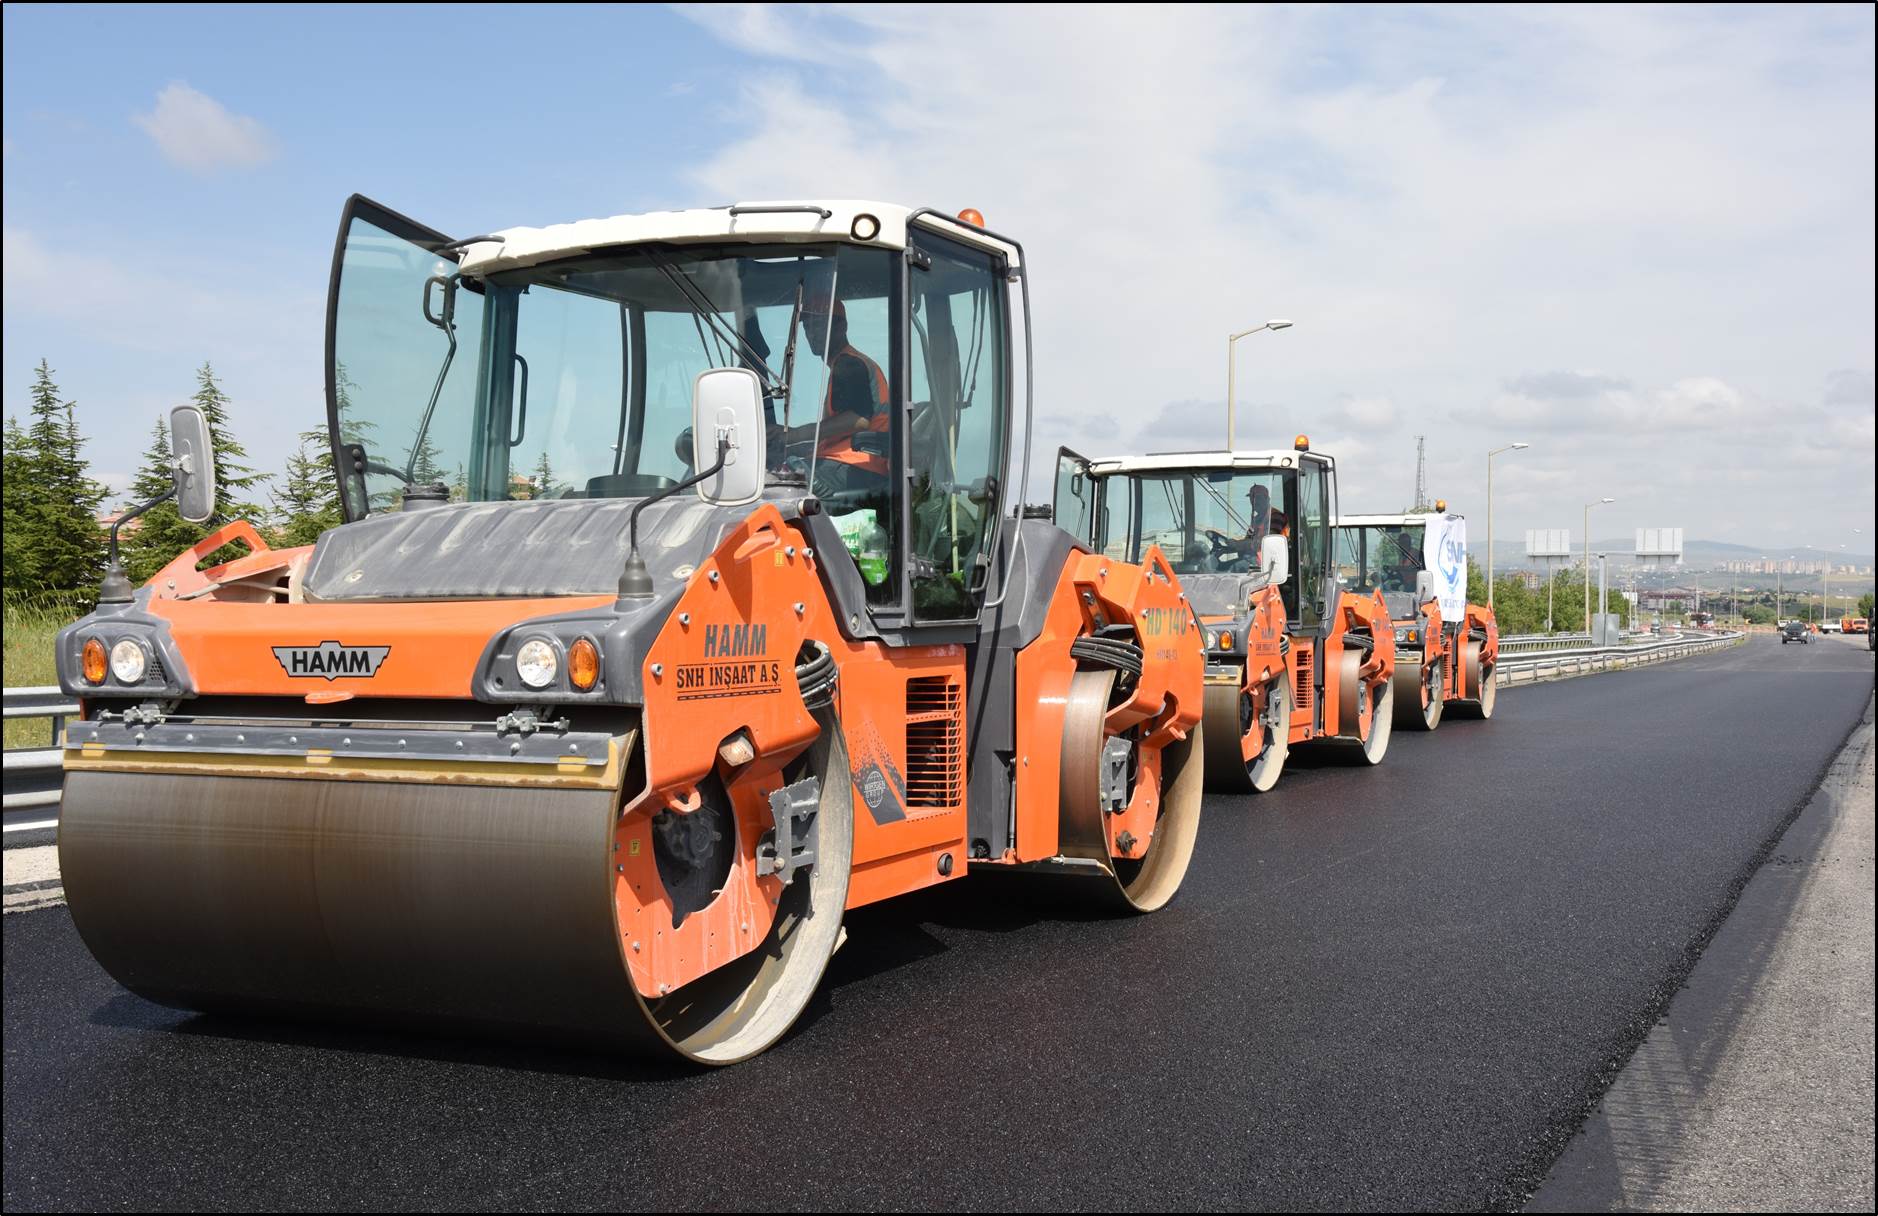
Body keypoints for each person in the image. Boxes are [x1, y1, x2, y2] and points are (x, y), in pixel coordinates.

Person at [769, 297, 889, 497]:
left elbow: (859, 420)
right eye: (807, 327)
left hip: (860, 465)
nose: (812, 333)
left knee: (778, 477)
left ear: (842, 327)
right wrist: (788, 440)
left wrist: (795, 434)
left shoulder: (849, 364)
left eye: (819, 325)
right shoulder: (844, 363)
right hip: (852, 463)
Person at [1259, 508, 1290, 586]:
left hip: (1271, 563)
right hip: (1258, 560)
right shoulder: (1258, 518)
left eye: (1254, 501)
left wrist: (1239, 544)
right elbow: (1249, 538)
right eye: (1251, 501)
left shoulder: (1276, 517)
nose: (1252, 503)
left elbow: (1270, 542)